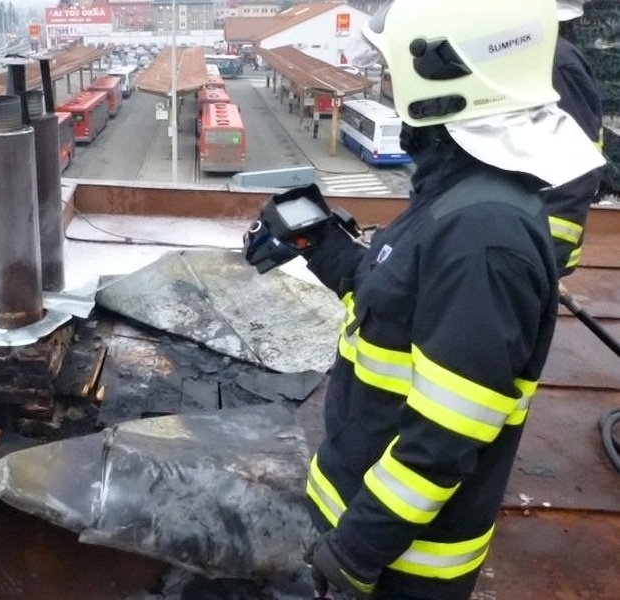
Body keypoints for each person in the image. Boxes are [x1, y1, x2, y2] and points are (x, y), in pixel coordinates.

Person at [242, 0, 605, 598]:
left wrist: (354, 553)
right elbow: (394, 303)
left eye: (391, 74)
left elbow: (444, 437)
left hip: (400, 567)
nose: (385, 88)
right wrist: (320, 242)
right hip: (362, 511)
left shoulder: (484, 239)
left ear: (445, 78)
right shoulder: (458, 194)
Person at [546, 0, 604, 277]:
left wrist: (547, 251)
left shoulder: (555, 63)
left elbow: (577, 164)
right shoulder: (536, 58)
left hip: (536, 247)